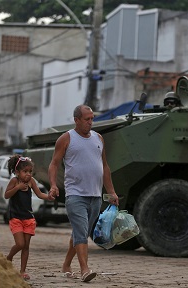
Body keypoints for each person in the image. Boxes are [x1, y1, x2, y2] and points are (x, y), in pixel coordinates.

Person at [48, 104, 119, 283]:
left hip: (95, 195)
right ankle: (85, 270)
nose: (90, 122)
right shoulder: (66, 139)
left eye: (92, 118)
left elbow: (104, 166)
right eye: (87, 119)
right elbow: (54, 164)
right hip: (75, 194)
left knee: (82, 232)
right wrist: (53, 185)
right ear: (77, 120)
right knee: (80, 230)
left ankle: (66, 265)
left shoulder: (98, 138)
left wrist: (111, 191)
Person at [4, 154, 55, 281]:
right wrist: (17, 188)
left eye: (30, 172)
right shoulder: (14, 181)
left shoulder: (31, 182)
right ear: (17, 172)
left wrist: (48, 197)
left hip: (28, 218)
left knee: (26, 246)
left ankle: (22, 271)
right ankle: (9, 257)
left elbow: (39, 194)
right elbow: (6, 195)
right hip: (15, 217)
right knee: (20, 244)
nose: (28, 174)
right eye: (25, 171)